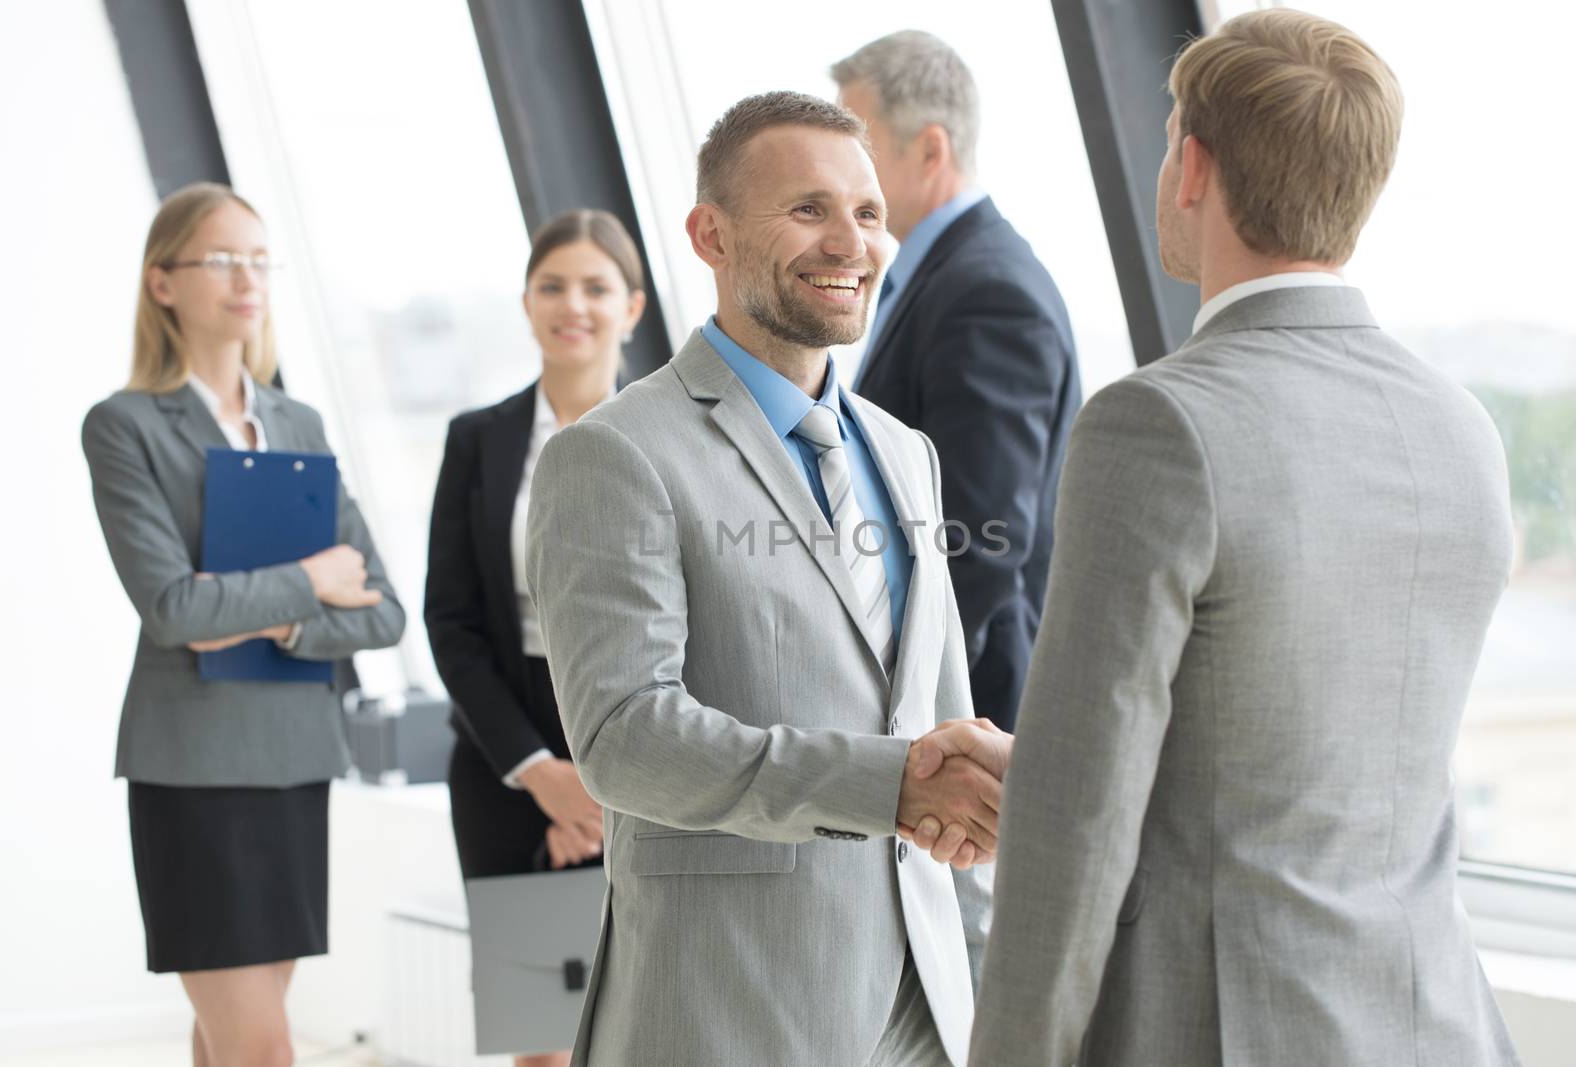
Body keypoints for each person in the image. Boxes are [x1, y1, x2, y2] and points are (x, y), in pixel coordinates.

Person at [968, 11, 1522, 1065]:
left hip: (1221, 1029)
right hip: (1436, 1023)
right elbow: (1307, 750)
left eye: (1171, 130)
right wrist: (1030, 762)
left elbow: (1077, 826)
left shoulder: (1160, 423)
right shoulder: (1461, 427)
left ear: (1193, 168)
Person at [524, 92, 1013, 1067]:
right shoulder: (615, 454)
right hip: (734, 1003)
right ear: (710, 234)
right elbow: (626, 738)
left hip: (926, 1002)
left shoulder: (903, 451)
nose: (850, 242)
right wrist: (892, 783)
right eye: (808, 209)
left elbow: (938, 706)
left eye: (869, 213)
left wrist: (980, 962)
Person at [82, 182, 406, 1067]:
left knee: (228, 1039)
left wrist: (274, 620)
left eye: (259, 260)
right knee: (262, 1048)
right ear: (162, 282)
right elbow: (177, 610)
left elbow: (380, 609)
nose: (247, 277)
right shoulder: (125, 426)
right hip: (195, 769)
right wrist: (309, 580)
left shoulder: (294, 420)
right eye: (222, 259)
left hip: (294, 757)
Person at [423, 209, 646, 1067]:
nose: (572, 305)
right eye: (552, 285)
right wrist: (540, 775)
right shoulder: (477, 440)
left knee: (644, 1019)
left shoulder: (677, 436)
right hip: (502, 760)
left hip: (638, 761)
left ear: (632, 305)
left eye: (596, 286)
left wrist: (596, 790)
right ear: (525, 302)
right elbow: (453, 620)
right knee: (540, 1039)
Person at [833, 31, 1081, 732]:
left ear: (931, 149)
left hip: (964, 713)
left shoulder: (987, 292)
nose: (842, 169)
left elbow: (979, 541)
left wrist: (904, 711)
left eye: (861, 144)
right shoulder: (941, 275)